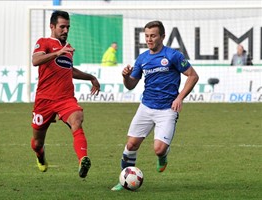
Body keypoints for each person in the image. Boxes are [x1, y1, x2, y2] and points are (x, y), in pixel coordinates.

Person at [111, 20, 199, 191]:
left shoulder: (173, 55)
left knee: (158, 150)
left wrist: (179, 97)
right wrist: (125, 77)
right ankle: (124, 179)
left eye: (153, 36)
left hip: (167, 109)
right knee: (131, 145)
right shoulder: (142, 58)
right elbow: (130, 85)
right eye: (147, 36)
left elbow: (193, 76)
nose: (149, 39)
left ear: (162, 36)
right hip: (146, 107)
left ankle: (163, 156)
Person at [31, 10, 100, 178]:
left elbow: (69, 69)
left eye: (68, 27)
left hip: (65, 98)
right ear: (52, 26)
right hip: (44, 100)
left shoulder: (67, 48)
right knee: (37, 142)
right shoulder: (44, 42)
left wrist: (90, 77)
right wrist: (56, 53)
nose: (66, 30)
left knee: (77, 120)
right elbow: (35, 61)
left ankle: (83, 159)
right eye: (62, 27)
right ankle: (40, 156)